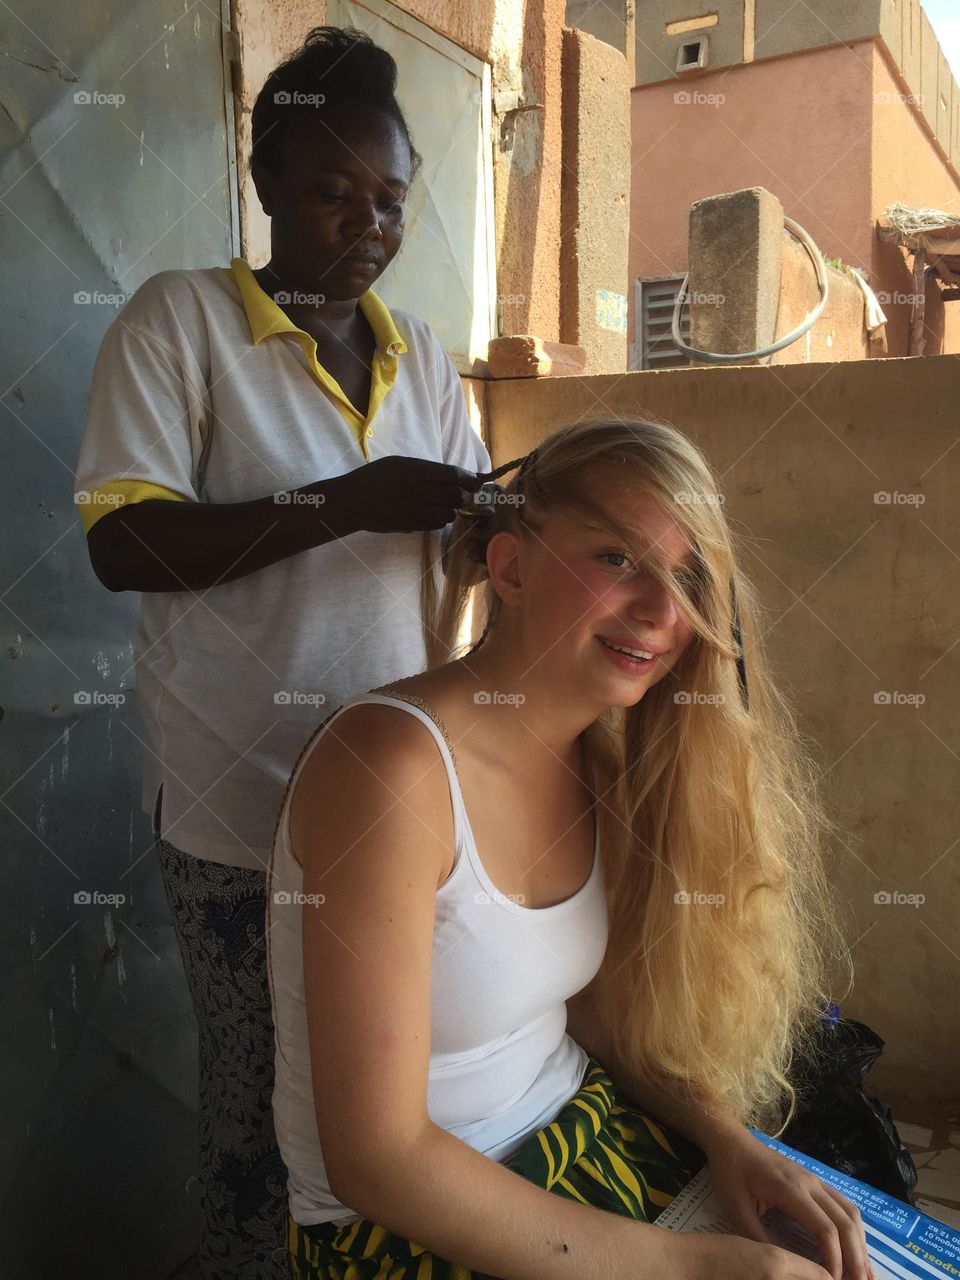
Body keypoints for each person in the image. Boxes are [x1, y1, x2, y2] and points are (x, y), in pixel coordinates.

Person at [266, 417, 877, 1280]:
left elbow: (570, 1003)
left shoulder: (598, 756)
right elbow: (378, 1162)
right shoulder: (390, 768)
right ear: (510, 567)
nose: (664, 613)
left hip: (579, 1133)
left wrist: (728, 1142)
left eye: (690, 575)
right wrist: (694, 1269)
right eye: (617, 559)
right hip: (407, 1222)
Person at [74, 27, 489, 1279]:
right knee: (257, 1119)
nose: (370, 224)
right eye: (333, 190)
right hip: (237, 812)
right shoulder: (180, 325)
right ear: (263, 184)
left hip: (397, 812)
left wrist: (503, 527)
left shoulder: (423, 357)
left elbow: (460, 549)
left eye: (393, 200)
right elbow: (127, 545)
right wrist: (348, 502)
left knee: (378, 1104)